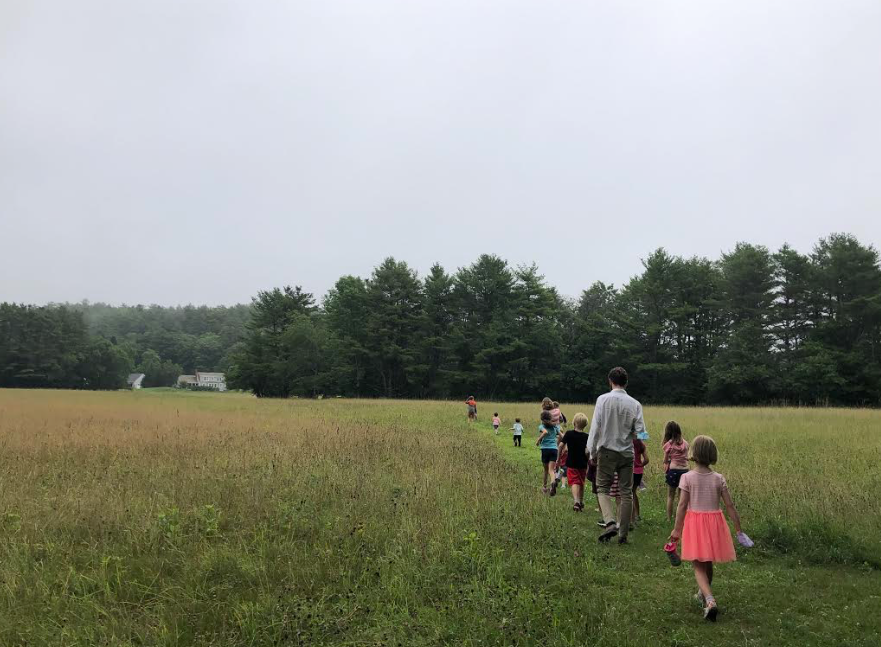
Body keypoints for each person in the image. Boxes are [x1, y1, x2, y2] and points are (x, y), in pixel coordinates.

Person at [669, 435, 743, 622]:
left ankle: (710, 600)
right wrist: (738, 529)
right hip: (715, 524)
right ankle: (703, 593)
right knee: (707, 561)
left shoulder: (687, 477)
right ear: (712, 454)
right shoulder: (719, 478)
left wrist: (677, 530)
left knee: (698, 565)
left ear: (693, 452)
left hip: (695, 524)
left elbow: (682, 506)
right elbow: (730, 506)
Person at [587, 366, 646, 544]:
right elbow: (641, 434)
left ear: (610, 381)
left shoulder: (602, 400)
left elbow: (595, 427)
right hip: (627, 452)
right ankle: (623, 534)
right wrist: (629, 434)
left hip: (606, 450)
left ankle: (610, 522)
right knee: (626, 492)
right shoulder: (635, 404)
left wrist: (591, 451)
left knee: (602, 488)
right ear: (626, 383)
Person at [560, 413, 590, 511]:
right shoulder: (587, 436)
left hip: (571, 463)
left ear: (574, 422)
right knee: (581, 482)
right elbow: (587, 451)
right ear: (585, 425)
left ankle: (576, 501)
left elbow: (560, 446)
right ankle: (581, 501)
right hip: (583, 464)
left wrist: (558, 458)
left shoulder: (569, 434)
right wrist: (589, 461)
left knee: (574, 482)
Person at [663, 421, 690, 522]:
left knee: (671, 495)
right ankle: (680, 518)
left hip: (674, 470)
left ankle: (669, 519)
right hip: (685, 471)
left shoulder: (669, 444)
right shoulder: (686, 443)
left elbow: (665, 460)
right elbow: (687, 457)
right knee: (681, 497)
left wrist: (667, 463)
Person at [536, 410, 561, 495]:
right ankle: (553, 483)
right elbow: (561, 436)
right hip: (554, 449)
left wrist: (538, 440)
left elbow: (545, 432)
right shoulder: (555, 427)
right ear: (550, 418)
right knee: (551, 470)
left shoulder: (541, 426)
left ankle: (544, 487)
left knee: (546, 470)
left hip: (545, 449)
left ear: (542, 419)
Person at [631, 436, 649, 526]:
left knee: (629, 494)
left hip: (630, 470)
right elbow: (646, 460)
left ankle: (632, 517)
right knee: (633, 492)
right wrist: (640, 465)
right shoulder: (641, 444)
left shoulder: (628, 442)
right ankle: (637, 514)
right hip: (639, 472)